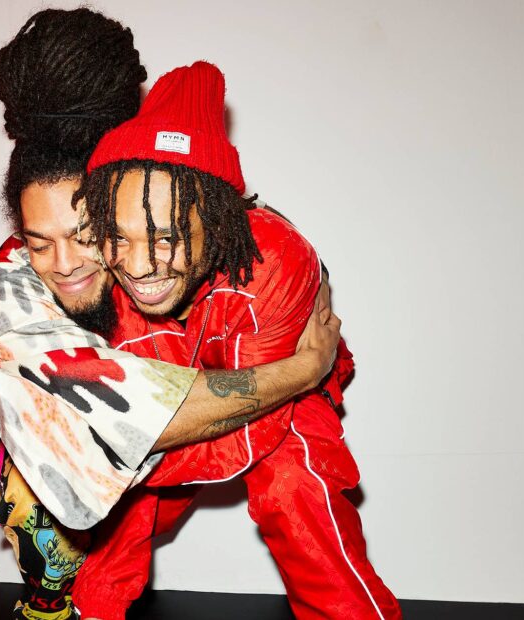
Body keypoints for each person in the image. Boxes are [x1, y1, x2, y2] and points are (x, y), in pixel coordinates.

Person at [0, 10, 339, 620]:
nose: (64, 264)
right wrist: (307, 368)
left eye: (86, 235)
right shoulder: (4, 292)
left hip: (76, 463)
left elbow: (223, 222)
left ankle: (52, 604)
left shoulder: (137, 258)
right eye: (40, 242)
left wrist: (309, 271)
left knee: (71, 497)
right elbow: (145, 421)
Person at [70, 61, 401, 619]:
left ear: (220, 222)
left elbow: (251, 430)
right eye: (118, 236)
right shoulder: (104, 280)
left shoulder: (278, 261)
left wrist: (137, 441)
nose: (138, 266)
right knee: (114, 509)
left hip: (284, 393)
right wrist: (121, 451)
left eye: (166, 237)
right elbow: (135, 432)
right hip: (281, 370)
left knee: (294, 488)